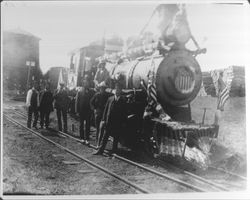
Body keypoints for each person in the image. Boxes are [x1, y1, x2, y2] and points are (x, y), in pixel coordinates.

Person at [93, 82, 127, 155]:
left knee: (116, 137)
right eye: (116, 89)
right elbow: (106, 110)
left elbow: (125, 113)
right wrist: (103, 119)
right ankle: (100, 150)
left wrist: (123, 122)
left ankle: (114, 150)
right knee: (105, 136)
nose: (117, 91)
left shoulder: (123, 101)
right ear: (115, 90)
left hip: (117, 122)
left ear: (121, 91)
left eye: (119, 90)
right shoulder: (110, 99)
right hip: (109, 121)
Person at [75, 76, 95, 144]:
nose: (86, 84)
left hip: (88, 111)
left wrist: (92, 109)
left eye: (87, 82)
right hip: (81, 111)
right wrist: (77, 111)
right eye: (85, 82)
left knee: (88, 125)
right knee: (81, 125)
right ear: (83, 83)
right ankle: (81, 138)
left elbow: (93, 101)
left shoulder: (91, 92)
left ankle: (87, 139)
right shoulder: (80, 91)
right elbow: (77, 101)